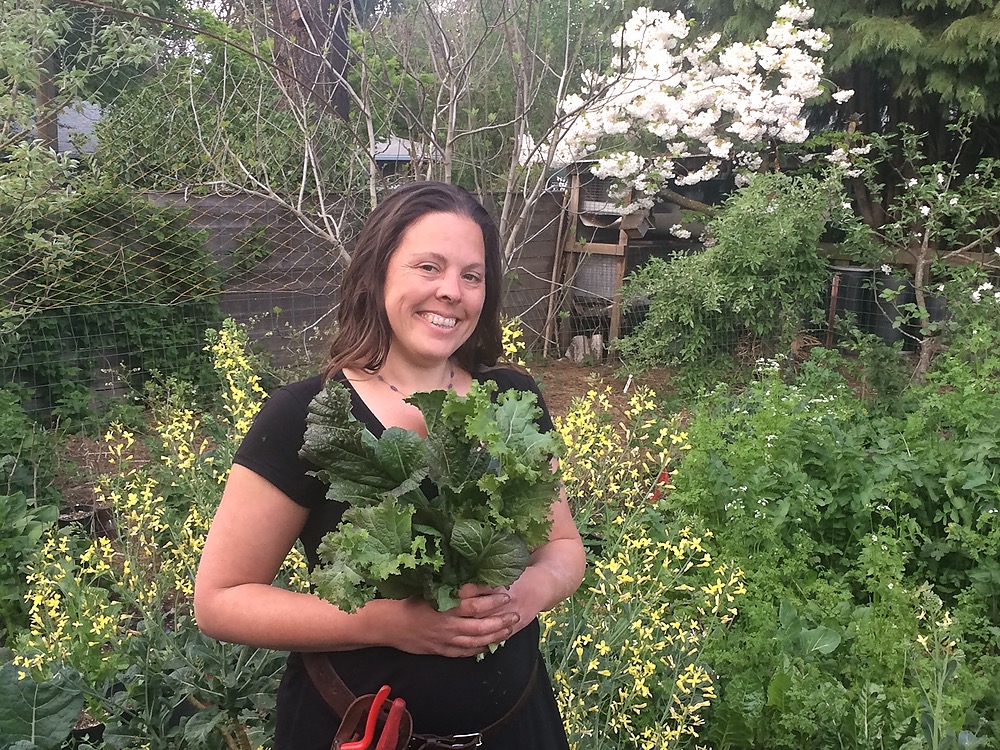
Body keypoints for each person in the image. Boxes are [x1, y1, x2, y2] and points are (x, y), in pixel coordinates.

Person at [194, 181, 586, 750]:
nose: (451, 292)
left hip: (516, 728)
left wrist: (525, 595)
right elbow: (221, 600)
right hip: (359, 733)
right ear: (378, 274)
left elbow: (562, 548)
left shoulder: (510, 399)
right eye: (428, 267)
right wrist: (389, 623)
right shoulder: (303, 415)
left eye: (471, 276)